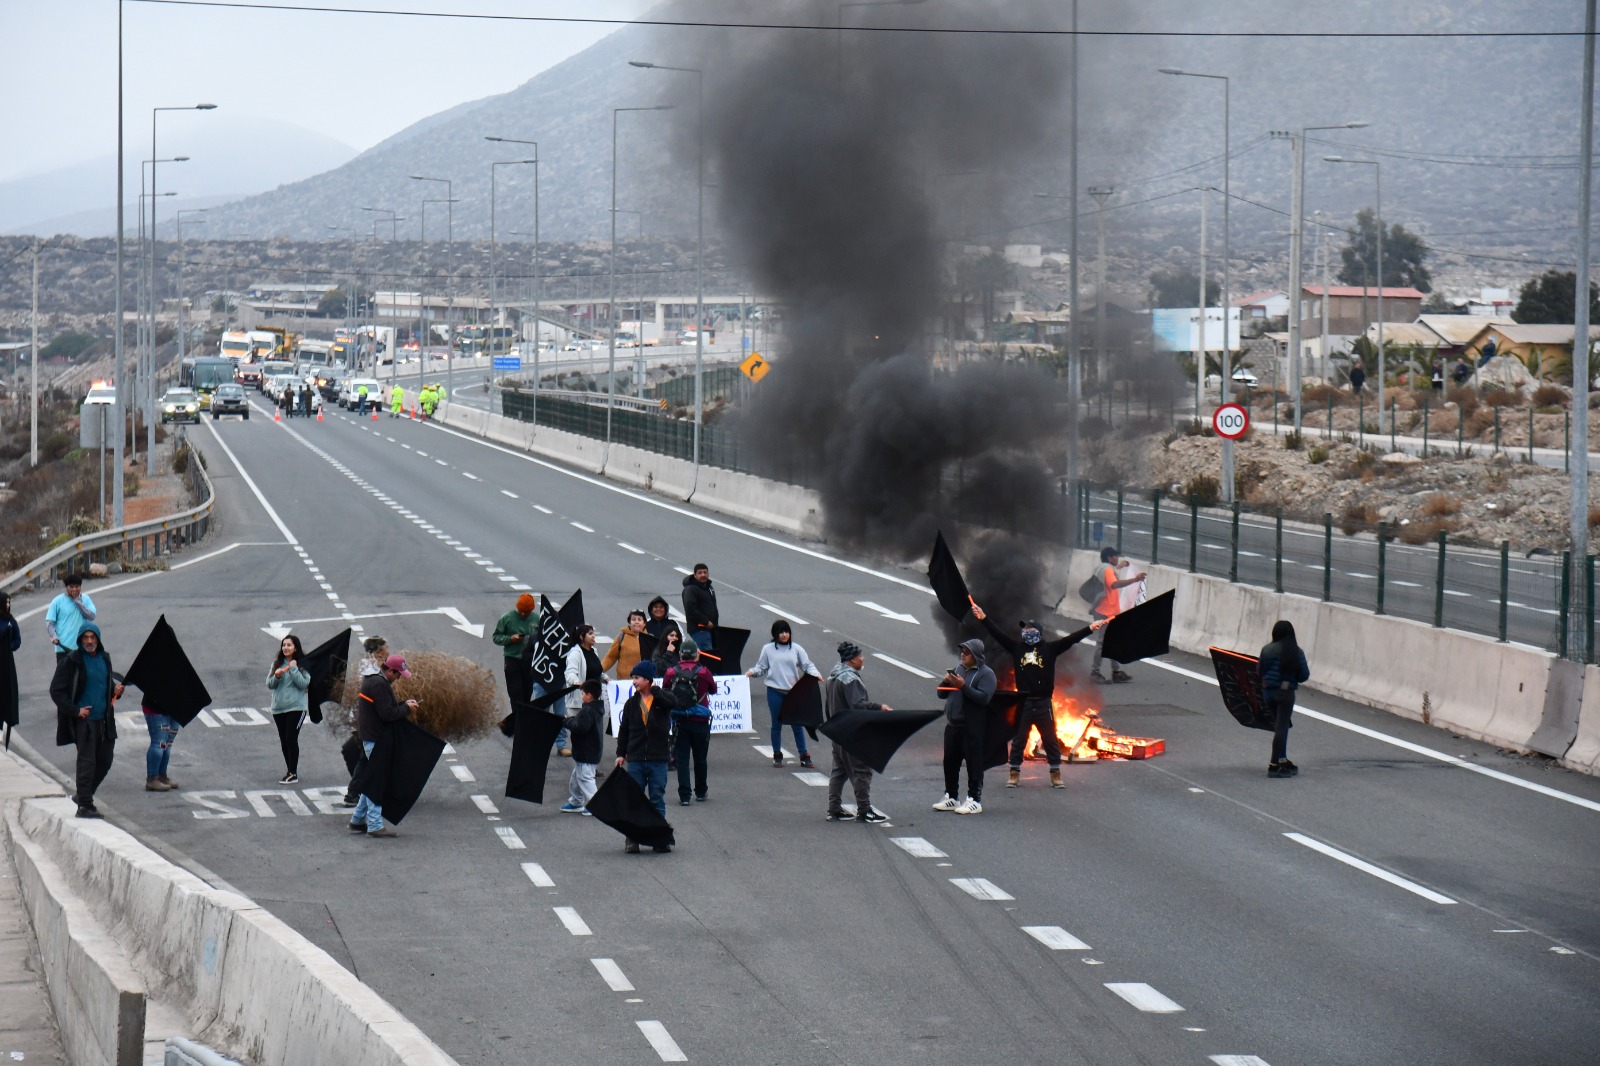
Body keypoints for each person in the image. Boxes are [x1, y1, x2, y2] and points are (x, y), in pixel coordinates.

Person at [971, 598, 1105, 789]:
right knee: (1019, 739)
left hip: (1043, 703)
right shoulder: (1017, 648)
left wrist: (1090, 628)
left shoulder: (1049, 649)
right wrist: (983, 618)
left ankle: (1055, 773)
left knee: (1050, 739)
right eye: (1024, 629)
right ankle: (1014, 773)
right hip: (1024, 702)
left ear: (1038, 633)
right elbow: (997, 634)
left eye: (1030, 629)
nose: (1026, 632)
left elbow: (1071, 639)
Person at [49, 623, 123, 818]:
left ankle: (83, 794)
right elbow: (56, 691)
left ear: (98, 639)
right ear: (80, 639)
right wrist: (75, 711)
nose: (89, 641)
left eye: (93, 637)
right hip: (85, 722)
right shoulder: (72, 661)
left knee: (105, 760)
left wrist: (115, 691)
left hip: (105, 720)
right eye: (86, 638)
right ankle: (85, 805)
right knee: (86, 762)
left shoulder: (104, 658)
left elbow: (105, 683)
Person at [824, 641, 891, 824]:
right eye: (861, 655)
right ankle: (864, 811)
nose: (863, 658)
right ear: (852, 659)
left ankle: (834, 809)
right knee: (862, 771)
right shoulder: (851, 680)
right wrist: (878, 708)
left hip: (837, 731)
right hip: (852, 733)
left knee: (839, 771)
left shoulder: (833, 676)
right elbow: (858, 705)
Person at [350, 654, 416, 837]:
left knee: (371, 779)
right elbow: (387, 714)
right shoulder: (379, 684)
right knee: (377, 783)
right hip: (375, 740)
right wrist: (406, 709)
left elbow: (385, 709)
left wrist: (403, 705)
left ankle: (357, 820)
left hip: (371, 737)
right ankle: (374, 825)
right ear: (390, 670)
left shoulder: (374, 681)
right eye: (398, 674)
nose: (399, 678)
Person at [746, 619, 822, 768]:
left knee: (797, 723)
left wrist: (815, 674)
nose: (784, 635)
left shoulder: (796, 649)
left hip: (793, 693)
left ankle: (804, 755)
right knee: (777, 724)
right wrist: (751, 673)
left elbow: (807, 665)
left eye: (786, 631)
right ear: (775, 634)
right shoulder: (768, 649)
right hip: (775, 691)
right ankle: (777, 754)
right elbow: (761, 667)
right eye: (781, 632)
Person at [933, 638, 996, 815]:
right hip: (953, 725)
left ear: (976, 655)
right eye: (962, 651)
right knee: (950, 762)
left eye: (967, 652)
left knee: (973, 765)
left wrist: (963, 686)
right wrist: (945, 682)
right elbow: (941, 695)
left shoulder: (986, 674)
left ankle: (974, 799)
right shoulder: (959, 669)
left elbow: (983, 698)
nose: (962, 654)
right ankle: (951, 796)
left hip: (972, 727)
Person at [615, 661, 672, 853]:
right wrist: (620, 754)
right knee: (635, 800)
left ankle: (659, 838)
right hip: (637, 759)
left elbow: (674, 703)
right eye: (633, 678)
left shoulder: (661, 700)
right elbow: (624, 730)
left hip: (658, 759)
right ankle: (632, 839)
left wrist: (657, 692)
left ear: (647, 680)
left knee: (657, 798)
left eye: (637, 678)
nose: (634, 682)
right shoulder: (632, 703)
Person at [339, 635, 388, 808]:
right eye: (385, 649)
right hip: (366, 722)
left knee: (353, 753)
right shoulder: (374, 670)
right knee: (362, 758)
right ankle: (356, 793)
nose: (388, 652)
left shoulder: (364, 667)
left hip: (361, 721)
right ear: (380, 651)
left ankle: (359, 793)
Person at [666, 643, 716, 805]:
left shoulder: (672, 672)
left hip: (681, 720)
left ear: (680, 655)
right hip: (700, 721)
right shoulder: (703, 672)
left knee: (682, 759)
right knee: (700, 758)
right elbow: (713, 689)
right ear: (697, 655)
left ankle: (684, 796)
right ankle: (701, 791)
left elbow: (665, 688)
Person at [1260, 620, 1311, 778]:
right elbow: (1304, 675)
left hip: (1268, 692)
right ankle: (1274, 765)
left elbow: (1259, 670)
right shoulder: (1296, 652)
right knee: (1282, 727)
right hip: (1285, 693)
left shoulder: (1266, 649)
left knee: (1279, 726)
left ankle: (1282, 759)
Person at [1090, 547, 1146, 684]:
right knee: (1102, 643)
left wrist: (1121, 566)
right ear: (1110, 558)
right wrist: (1135, 579)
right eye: (1116, 556)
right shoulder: (1108, 570)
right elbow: (1114, 584)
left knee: (1113, 641)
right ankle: (1094, 673)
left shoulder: (1103, 568)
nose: (1117, 558)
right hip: (1106, 612)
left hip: (1107, 611)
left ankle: (1116, 672)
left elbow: (1111, 575)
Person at [265, 634, 311, 784]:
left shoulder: (303, 664)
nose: (285, 647)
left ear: (295, 647)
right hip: (279, 709)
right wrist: (277, 676)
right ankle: (290, 770)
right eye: (283, 645)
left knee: (291, 738)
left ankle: (293, 773)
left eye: (289, 645)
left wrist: (293, 670)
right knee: (284, 740)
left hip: (297, 707)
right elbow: (269, 684)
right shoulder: (276, 664)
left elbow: (304, 684)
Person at [559, 680, 605, 814]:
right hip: (587, 752)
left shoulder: (588, 711)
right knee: (576, 778)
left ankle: (595, 804)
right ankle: (576, 801)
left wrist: (567, 721)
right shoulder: (595, 709)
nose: (581, 696)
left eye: (582, 693)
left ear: (589, 695)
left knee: (585, 778)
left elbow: (580, 726)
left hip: (587, 752)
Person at [493, 594, 538, 714]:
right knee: (515, 693)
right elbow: (496, 637)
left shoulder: (536, 620)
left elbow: (542, 638)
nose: (523, 614)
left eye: (526, 612)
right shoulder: (507, 618)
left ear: (531, 610)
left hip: (529, 661)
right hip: (512, 659)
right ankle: (517, 721)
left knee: (527, 693)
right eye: (521, 611)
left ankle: (524, 721)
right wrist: (510, 639)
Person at [561, 624, 601, 757]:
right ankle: (581, 763)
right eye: (590, 634)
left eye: (593, 633)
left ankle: (592, 765)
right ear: (581, 637)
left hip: (594, 700)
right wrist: (577, 681)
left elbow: (597, 670)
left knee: (594, 733)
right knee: (581, 734)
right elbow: (570, 673)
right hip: (580, 700)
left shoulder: (593, 651)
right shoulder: (575, 653)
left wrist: (606, 678)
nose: (593, 636)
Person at [45, 573, 96, 661]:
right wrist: (54, 636)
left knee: (82, 674)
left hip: (82, 647)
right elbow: (50, 622)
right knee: (64, 674)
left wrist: (78, 601)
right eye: (71, 587)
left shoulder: (86, 599)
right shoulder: (57, 601)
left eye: (77, 587)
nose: (74, 589)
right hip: (63, 648)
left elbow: (91, 616)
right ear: (66, 587)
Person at [140, 694, 182, 793]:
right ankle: (152, 778)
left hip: (175, 707)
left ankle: (162, 776)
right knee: (159, 743)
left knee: (167, 744)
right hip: (156, 708)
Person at [601, 610, 650, 679]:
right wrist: (598, 671)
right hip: (623, 682)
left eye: (639, 619)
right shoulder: (621, 637)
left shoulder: (649, 638)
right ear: (629, 623)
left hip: (643, 682)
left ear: (644, 623)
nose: (636, 622)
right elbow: (611, 657)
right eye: (633, 619)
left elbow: (655, 660)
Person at [681, 563, 718, 651]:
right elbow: (691, 609)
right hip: (700, 629)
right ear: (694, 575)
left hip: (710, 629)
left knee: (711, 653)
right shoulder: (691, 589)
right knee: (707, 654)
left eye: (705, 572)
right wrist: (706, 621)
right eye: (700, 573)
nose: (703, 575)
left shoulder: (709, 588)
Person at [0, 593, 19, 742]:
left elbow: (17, 640)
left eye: (9, 602)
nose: (8, 605)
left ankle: (2, 728)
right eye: (5, 602)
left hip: (6, 664)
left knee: (6, 694)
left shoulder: (11, 621)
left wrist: (8, 647)